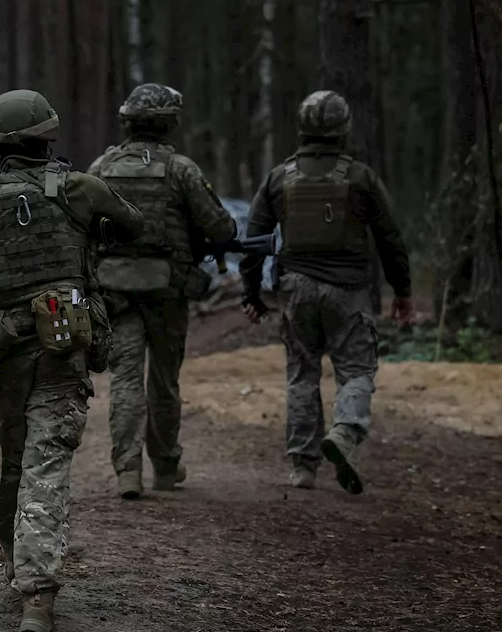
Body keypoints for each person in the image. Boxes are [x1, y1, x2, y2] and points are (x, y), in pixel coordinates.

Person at [0, 89, 142, 632]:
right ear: (48, 136)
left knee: (14, 465)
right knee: (45, 467)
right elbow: (136, 226)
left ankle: (18, 572)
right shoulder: (79, 188)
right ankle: (37, 596)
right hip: (61, 347)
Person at [239, 90, 413, 493]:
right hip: (349, 290)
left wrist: (252, 294)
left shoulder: (279, 178)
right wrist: (401, 291)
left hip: (295, 290)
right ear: (343, 128)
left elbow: (253, 240)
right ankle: (346, 432)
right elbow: (390, 238)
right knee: (357, 371)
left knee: (302, 374)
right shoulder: (360, 177)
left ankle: (302, 466)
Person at [87, 83, 236, 500]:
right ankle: (166, 467)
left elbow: (81, 223)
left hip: (115, 291)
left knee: (126, 379)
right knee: (164, 381)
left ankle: (127, 470)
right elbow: (222, 228)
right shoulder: (181, 169)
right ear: (170, 123)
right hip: (167, 289)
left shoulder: (101, 167)